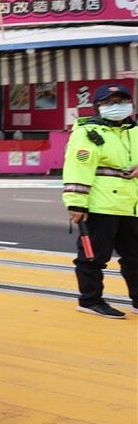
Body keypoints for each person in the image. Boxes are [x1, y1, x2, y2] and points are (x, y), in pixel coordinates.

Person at [61, 82, 138, 319]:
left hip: (131, 205)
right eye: (110, 103)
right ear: (97, 107)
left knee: (136, 257)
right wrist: (76, 203)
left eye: (122, 101)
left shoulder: (134, 130)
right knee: (94, 257)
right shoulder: (87, 132)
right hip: (100, 205)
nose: (118, 106)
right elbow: (78, 167)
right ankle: (90, 300)